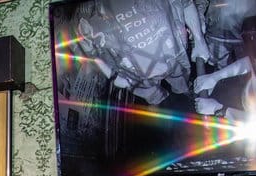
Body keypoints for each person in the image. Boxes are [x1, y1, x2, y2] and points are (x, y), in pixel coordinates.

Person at [73, 0, 212, 105]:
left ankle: (183, 92)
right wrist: (112, 76)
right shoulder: (86, 11)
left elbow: (185, 3)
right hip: (134, 74)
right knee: (154, 97)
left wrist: (199, 41)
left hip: (174, 54)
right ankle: (160, 108)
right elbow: (90, 51)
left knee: (181, 82)